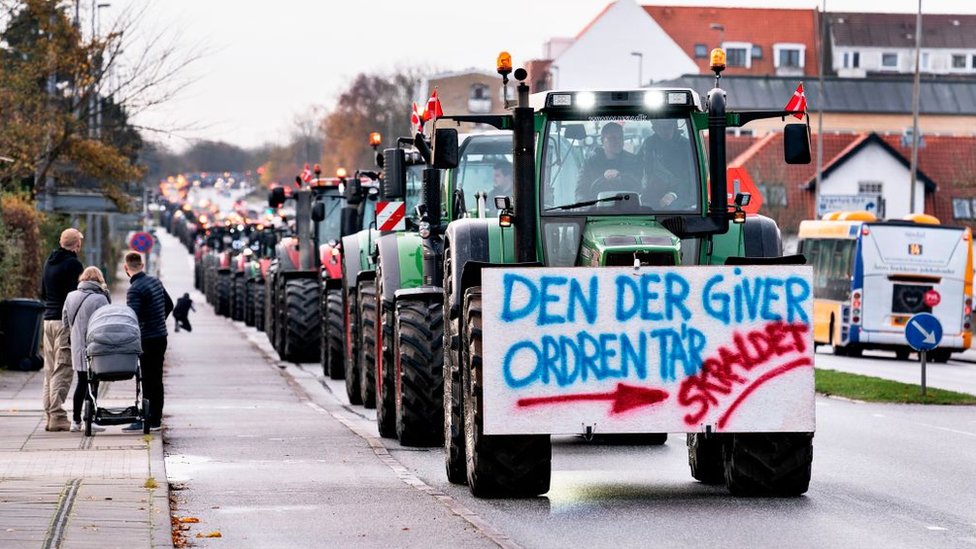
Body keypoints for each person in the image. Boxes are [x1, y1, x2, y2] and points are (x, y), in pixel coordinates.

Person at [39, 228, 85, 431]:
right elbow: (77, 295)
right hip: (63, 322)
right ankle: (57, 416)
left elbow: (42, 291)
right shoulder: (73, 264)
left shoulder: (49, 261)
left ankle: (50, 415)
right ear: (77, 244)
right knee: (63, 368)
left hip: (48, 320)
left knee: (50, 370)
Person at [123, 252, 173, 432]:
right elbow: (170, 304)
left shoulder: (135, 289)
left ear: (125, 268)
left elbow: (132, 318)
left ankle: (148, 419)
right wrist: (159, 321)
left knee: (147, 379)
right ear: (142, 265)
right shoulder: (155, 281)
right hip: (161, 336)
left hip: (147, 339)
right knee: (156, 379)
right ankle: (156, 419)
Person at [62, 267, 111, 432]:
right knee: (93, 382)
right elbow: (106, 321)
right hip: (95, 345)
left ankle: (75, 422)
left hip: (77, 345)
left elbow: (65, 322)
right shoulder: (101, 299)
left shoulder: (70, 296)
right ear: (99, 280)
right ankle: (91, 418)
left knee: (81, 382)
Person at [577, 122, 642, 201]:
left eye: (620, 138)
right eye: (612, 138)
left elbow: (640, 184)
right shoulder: (590, 164)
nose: (618, 142)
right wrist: (581, 203)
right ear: (602, 140)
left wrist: (621, 177)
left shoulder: (634, 161)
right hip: (597, 210)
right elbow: (581, 190)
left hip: (628, 208)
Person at [642, 118, 695, 209]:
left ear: (674, 126)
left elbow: (692, 178)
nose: (665, 130)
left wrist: (673, 194)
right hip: (653, 192)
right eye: (661, 127)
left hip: (680, 195)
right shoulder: (649, 144)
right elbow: (639, 167)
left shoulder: (686, 146)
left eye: (668, 126)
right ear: (654, 128)